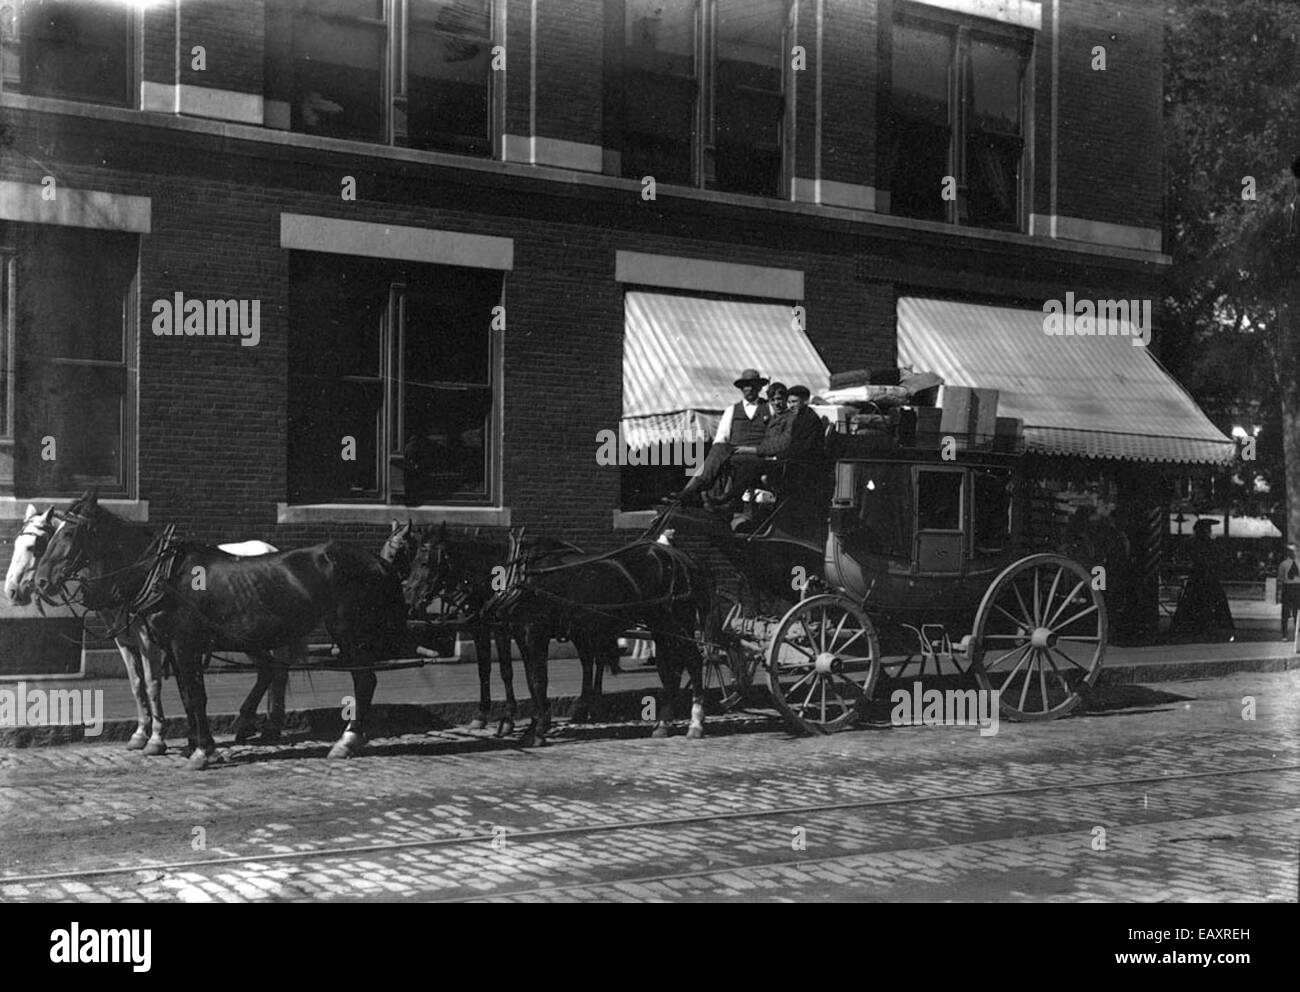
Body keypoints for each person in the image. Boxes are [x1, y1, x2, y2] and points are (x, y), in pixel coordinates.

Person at [667, 368, 771, 504]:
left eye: (753, 385)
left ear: (759, 387)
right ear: (741, 389)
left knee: (721, 455)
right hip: (735, 451)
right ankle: (693, 490)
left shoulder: (769, 408)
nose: (749, 389)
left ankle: (695, 491)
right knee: (719, 448)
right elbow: (722, 437)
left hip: (756, 454)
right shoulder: (732, 410)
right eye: (746, 385)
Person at [1170, 518, 1235, 639]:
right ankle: (1210, 625)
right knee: (1211, 600)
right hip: (1208, 576)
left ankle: (1193, 624)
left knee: (1193, 600)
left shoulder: (1191, 542)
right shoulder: (1209, 544)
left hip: (1197, 576)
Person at [1278, 542, 1300, 641]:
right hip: (1287, 588)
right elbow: (1281, 578)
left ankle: (1297, 635)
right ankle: (1284, 635)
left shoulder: (1299, 563)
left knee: (1297, 613)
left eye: (1294, 550)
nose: (1293, 553)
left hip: (1298, 588)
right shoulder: (1283, 564)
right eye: (1290, 551)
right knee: (1285, 613)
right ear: (1287, 552)